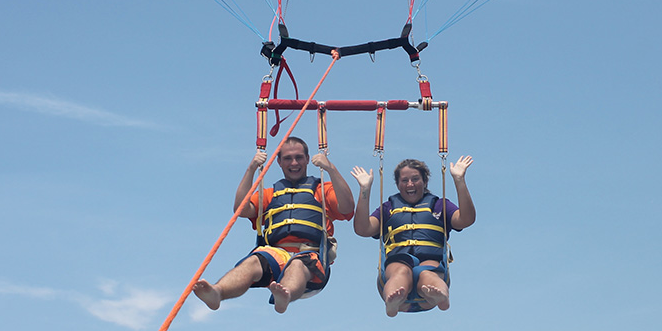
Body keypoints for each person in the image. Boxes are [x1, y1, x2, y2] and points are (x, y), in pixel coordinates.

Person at [193, 137, 354, 314]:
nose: (294, 163)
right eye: (287, 158)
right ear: (279, 162)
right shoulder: (269, 195)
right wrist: (251, 169)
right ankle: (218, 292)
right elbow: (241, 209)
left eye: (299, 157)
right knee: (253, 261)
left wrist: (330, 168)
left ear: (307, 159)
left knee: (297, 265)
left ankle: (285, 294)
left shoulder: (322, 189)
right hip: (276, 255)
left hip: (310, 254)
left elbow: (347, 207)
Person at [351, 156, 474, 316]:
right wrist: (364, 189)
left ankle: (440, 295)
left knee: (427, 274)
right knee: (401, 272)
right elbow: (363, 228)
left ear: (424, 181)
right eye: (405, 180)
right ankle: (392, 300)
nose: (410, 184)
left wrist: (459, 180)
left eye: (415, 179)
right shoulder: (388, 208)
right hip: (398, 261)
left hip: (430, 261)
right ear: (398, 184)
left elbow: (466, 219)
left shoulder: (439, 205)